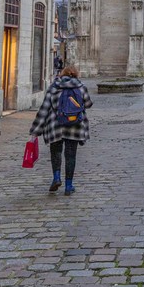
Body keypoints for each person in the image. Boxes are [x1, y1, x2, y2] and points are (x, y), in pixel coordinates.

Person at [28, 64, 93, 196]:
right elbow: (88, 104)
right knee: (71, 156)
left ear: (62, 74)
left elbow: (44, 109)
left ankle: (56, 178)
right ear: (75, 74)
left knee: (56, 153)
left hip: (55, 126)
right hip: (74, 126)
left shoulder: (54, 87)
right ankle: (68, 186)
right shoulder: (81, 87)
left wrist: (35, 130)